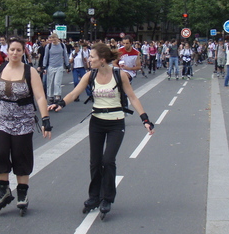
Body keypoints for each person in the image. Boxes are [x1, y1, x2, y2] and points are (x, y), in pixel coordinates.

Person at [49, 43, 155, 218]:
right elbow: (74, 93)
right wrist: (60, 103)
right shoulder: (90, 75)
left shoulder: (119, 75)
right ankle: (94, 197)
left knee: (108, 160)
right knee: (95, 162)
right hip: (97, 122)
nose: (88, 59)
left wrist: (145, 119)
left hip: (115, 123)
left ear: (102, 59)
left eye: (92, 57)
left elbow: (133, 97)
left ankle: (107, 198)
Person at [0, 37, 52, 216]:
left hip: (23, 120)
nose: (15, 53)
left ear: (23, 51)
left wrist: (46, 119)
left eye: (18, 50)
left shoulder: (30, 72)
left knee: (20, 156)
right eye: (12, 49)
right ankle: (3, 190)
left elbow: (40, 97)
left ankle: (22, 193)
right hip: (1, 117)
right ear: (7, 51)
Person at [42, 34, 69, 104]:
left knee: (57, 82)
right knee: (50, 82)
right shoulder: (49, 46)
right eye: (52, 39)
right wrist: (44, 66)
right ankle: (50, 96)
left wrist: (67, 65)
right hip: (51, 66)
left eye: (54, 39)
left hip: (59, 66)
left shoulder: (62, 45)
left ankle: (57, 96)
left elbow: (65, 55)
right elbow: (46, 56)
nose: (53, 40)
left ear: (57, 38)